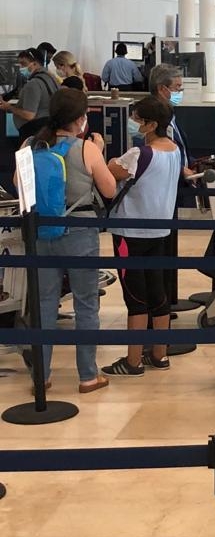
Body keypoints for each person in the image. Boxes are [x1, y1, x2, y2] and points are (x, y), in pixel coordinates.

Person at [19, 88, 116, 394]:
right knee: (86, 304)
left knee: (44, 303)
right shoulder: (86, 148)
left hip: (42, 233)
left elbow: (18, 186)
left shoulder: (30, 145)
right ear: (79, 119)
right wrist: (100, 149)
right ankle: (88, 375)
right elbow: (110, 189)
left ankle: (42, 375)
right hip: (80, 233)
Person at [101, 97, 182, 377]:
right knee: (157, 292)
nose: (134, 123)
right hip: (159, 230)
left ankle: (133, 361)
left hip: (129, 232)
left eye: (138, 119)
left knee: (134, 295)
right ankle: (159, 354)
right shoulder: (175, 151)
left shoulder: (138, 154)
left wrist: (105, 155)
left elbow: (108, 174)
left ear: (151, 124)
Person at [0, 48, 59, 139]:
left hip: (33, 131)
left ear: (35, 64)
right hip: (48, 127)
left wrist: (9, 107)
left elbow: (29, 115)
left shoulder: (33, 84)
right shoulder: (51, 78)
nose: (20, 67)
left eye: (23, 64)